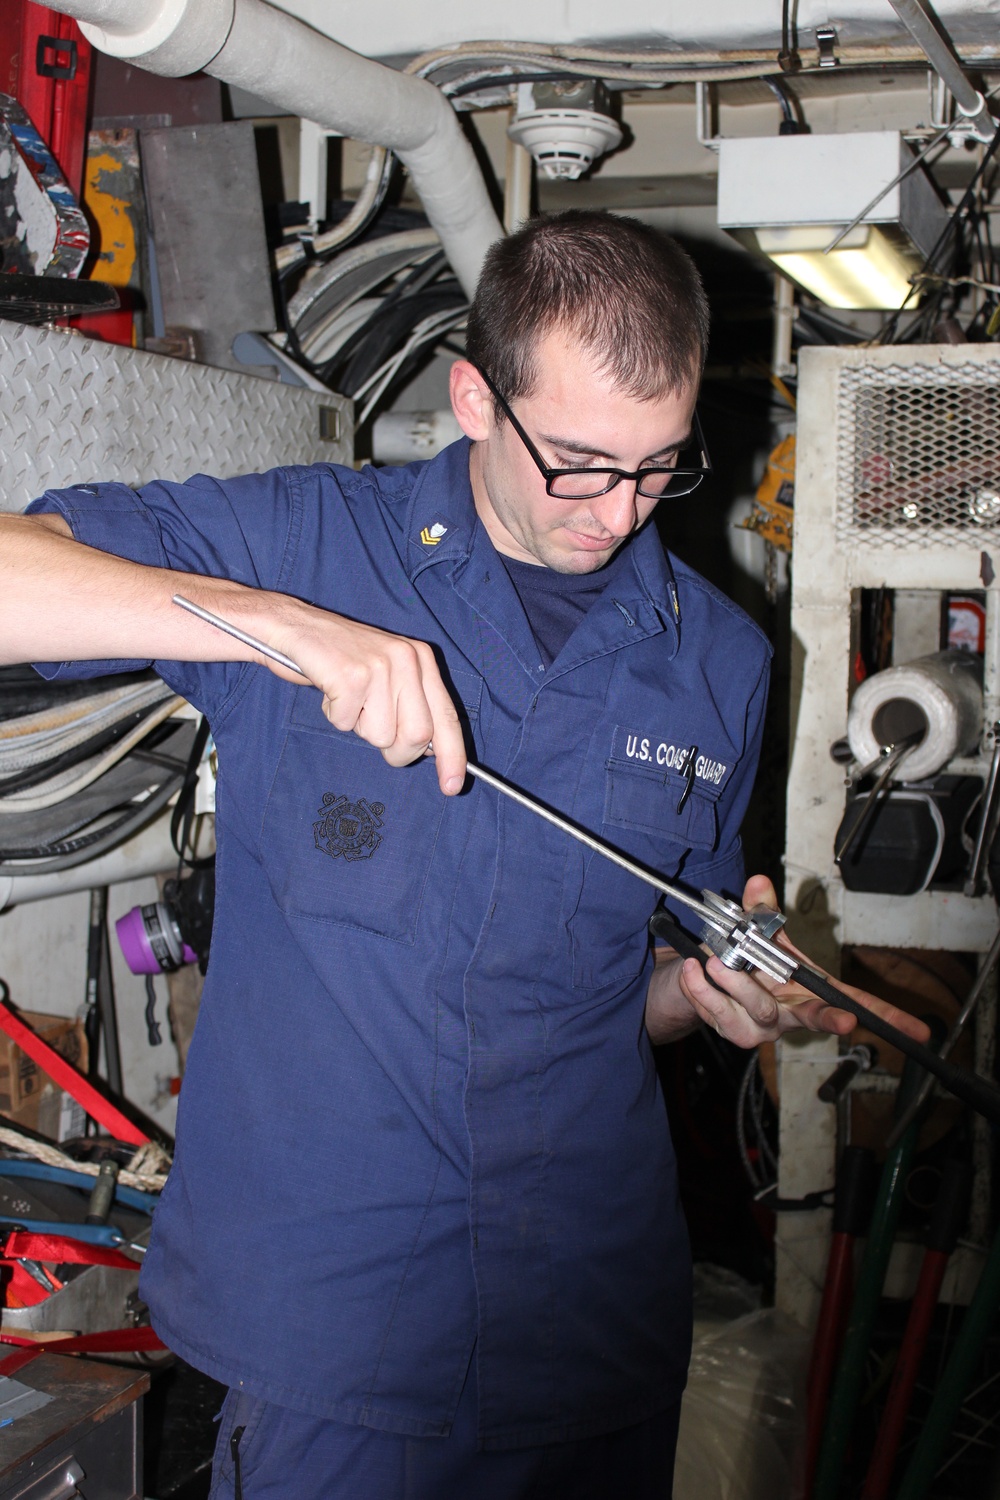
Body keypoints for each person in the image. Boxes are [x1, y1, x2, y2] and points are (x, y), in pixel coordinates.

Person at [0, 211, 924, 1499]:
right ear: (476, 399)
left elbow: (630, 990)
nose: (621, 513)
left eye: (662, 468)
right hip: (341, 1331)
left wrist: (712, 994)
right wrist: (281, 633)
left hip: (591, 1327)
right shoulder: (309, 546)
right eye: (584, 463)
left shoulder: (722, 659)